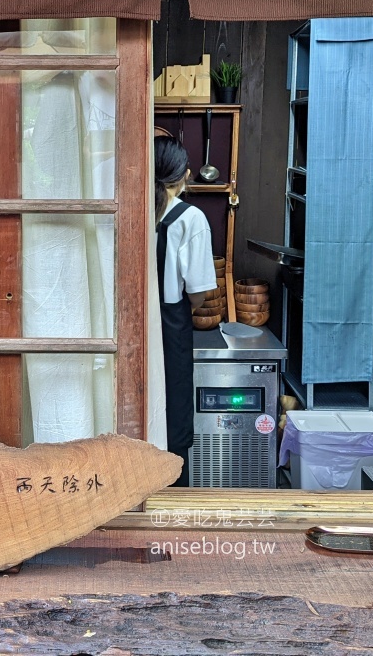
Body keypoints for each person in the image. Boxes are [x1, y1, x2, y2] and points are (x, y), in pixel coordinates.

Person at [155, 136, 217, 487]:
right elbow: (200, 291)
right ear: (185, 175)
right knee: (173, 410)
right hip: (171, 324)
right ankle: (171, 500)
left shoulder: (130, 205)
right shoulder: (190, 217)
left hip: (130, 323)